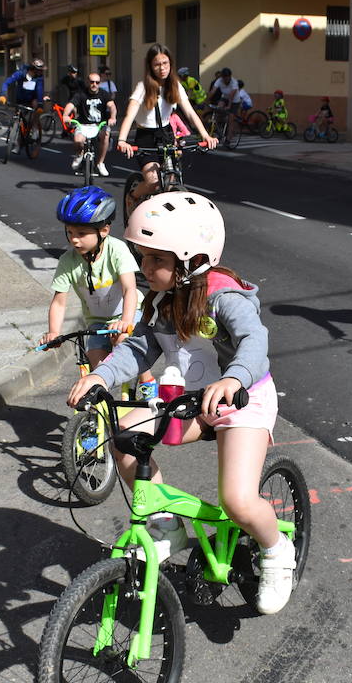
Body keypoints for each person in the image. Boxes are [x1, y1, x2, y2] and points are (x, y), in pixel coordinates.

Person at [67, 192, 295, 614]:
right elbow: (138, 349)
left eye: (156, 259)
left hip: (240, 398)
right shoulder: (163, 299)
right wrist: (100, 374)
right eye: (142, 256)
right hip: (188, 399)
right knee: (124, 438)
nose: (144, 268)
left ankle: (277, 551)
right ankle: (166, 527)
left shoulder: (224, 296)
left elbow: (253, 342)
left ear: (192, 261)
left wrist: (232, 378)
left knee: (238, 501)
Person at [41, 186, 139, 370]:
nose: (74, 240)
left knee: (126, 344)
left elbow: (129, 289)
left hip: (127, 314)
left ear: (103, 230)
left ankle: (146, 381)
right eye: (70, 232)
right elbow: (59, 302)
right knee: (95, 361)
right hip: (97, 322)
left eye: (81, 233)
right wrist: (54, 332)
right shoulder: (67, 261)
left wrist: (125, 320)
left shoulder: (117, 250)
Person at [115, 42, 217, 206]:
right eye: (157, 64)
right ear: (150, 66)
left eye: (165, 63)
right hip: (146, 136)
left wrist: (205, 135)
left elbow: (190, 113)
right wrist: (121, 140)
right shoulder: (143, 87)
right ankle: (132, 197)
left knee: (172, 176)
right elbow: (130, 114)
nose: (162, 68)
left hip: (167, 134)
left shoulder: (175, 85)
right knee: (153, 182)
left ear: (170, 64)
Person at [65, 71, 117, 177]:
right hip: (83, 124)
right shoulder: (81, 94)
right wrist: (65, 115)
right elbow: (70, 104)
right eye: (92, 82)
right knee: (78, 141)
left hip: (99, 124)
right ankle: (79, 154)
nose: (94, 84)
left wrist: (112, 117)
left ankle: (100, 163)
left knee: (106, 135)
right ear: (87, 82)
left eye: (97, 82)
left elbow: (112, 106)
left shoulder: (103, 93)